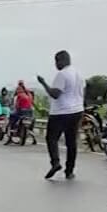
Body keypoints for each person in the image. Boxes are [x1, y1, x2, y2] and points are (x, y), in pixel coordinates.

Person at [41, 49, 82, 179]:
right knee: (71, 142)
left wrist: (43, 83)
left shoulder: (62, 74)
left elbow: (55, 94)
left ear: (62, 60)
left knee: (51, 138)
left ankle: (55, 162)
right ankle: (69, 171)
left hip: (61, 112)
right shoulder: (78, 74)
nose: (55, 64)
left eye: (56, 61)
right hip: (77, 111)